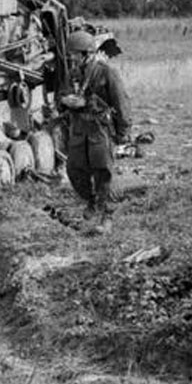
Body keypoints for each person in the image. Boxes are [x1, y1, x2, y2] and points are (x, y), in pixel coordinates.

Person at [58, 30, 131, 234]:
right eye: (70, 54)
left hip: (100, 129)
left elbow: (122, 101)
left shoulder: (106, 72)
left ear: (87, 53)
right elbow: (60, 96)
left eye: (74, 54)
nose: (71, 58)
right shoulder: (72, 74)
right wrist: (66, 101)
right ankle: (91, 201)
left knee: (103, 172)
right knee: (74, 170)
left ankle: (106, 216)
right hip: (79, 128)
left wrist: (123, 131)